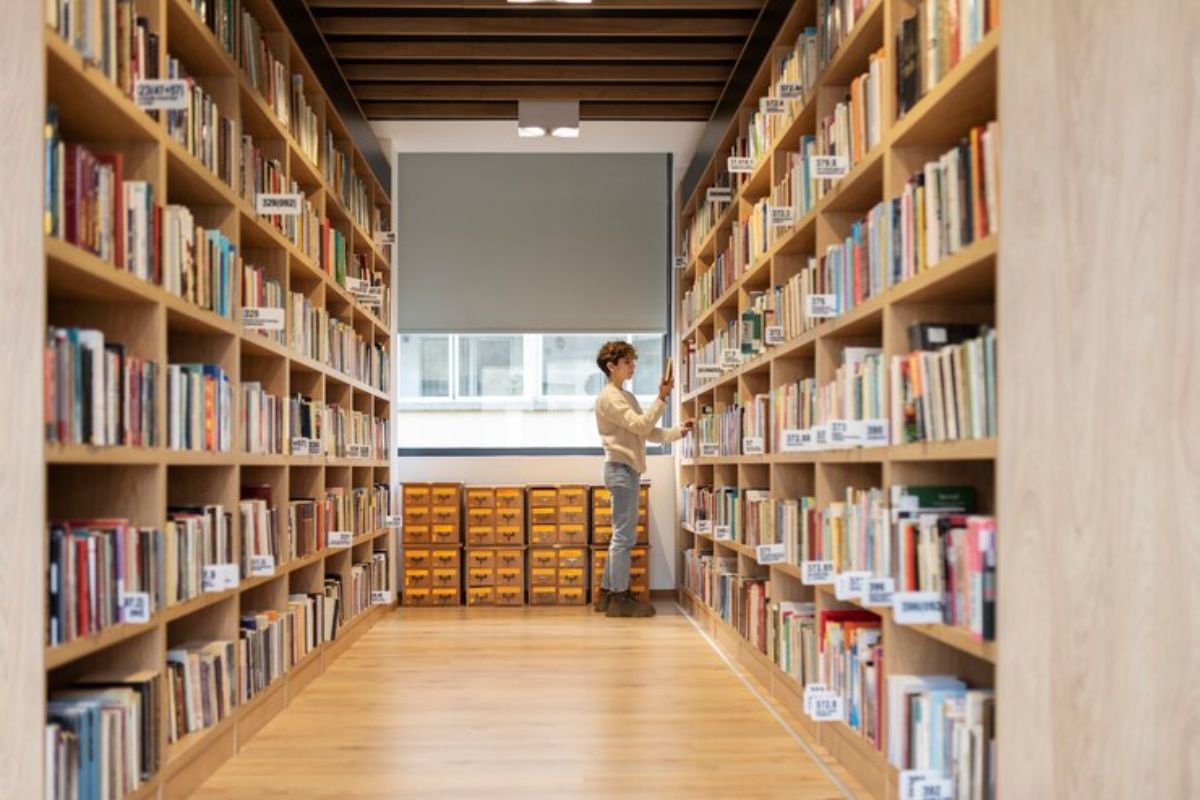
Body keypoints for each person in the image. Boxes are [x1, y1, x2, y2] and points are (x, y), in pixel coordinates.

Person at [593, 341, 693, 618]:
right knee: (624, 537)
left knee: (620, 535)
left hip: (626, 469)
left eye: (632, 361)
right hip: (621, 469)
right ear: (611, 366)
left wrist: (677, 433)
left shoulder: (625, 397)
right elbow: (640, 425)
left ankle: (606, 595)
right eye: (627, 362)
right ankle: (619, 598)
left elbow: (646, 432)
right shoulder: (610, 397)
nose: (632, 366)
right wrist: (661, 398)